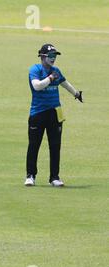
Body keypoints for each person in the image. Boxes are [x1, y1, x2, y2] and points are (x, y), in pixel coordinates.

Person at [25, 44, 83, 187]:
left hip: (55, 113)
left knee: (55, 146)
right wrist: (50, 78)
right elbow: (37, 86)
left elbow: (64, 83)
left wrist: (76, 93)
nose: (53, 59)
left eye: (55, 56)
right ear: (43, 56)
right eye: (51, 56)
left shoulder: (56, 71)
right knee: (34, 145)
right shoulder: (35, 70)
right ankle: (30, 176)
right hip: (38, 113)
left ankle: (54, 177)